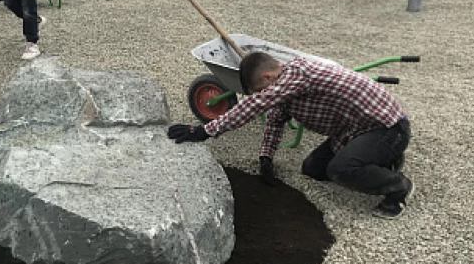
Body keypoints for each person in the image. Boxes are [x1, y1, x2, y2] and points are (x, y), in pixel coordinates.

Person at [168, 51, 414, 219]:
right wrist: (266, 157)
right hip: (353, 130)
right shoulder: (286, 88)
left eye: (260, 90)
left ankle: (398, 188)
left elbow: (256, 105)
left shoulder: (297, 74)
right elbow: (275, 121)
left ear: (268, 77)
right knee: (313, 169)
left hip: (388, 127)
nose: (261, 95)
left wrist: (205, 131)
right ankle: (376, 161)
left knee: (340, 170)